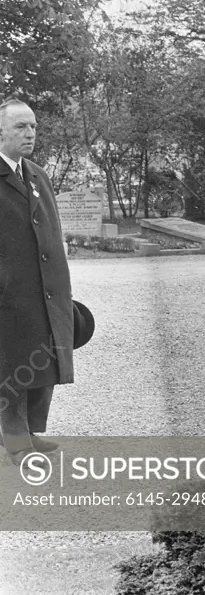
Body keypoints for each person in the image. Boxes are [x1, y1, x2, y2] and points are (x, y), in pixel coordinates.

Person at [0, 99, 74, 466]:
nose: (29, 134)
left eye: (32, 127)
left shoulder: (39, 175)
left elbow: (52, 232)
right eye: (19, 127)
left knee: (43, 359)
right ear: (1, 132)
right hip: (8, 291)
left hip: (44, 287)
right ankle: (15, 441)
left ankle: (31, 431)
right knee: (10, 364)